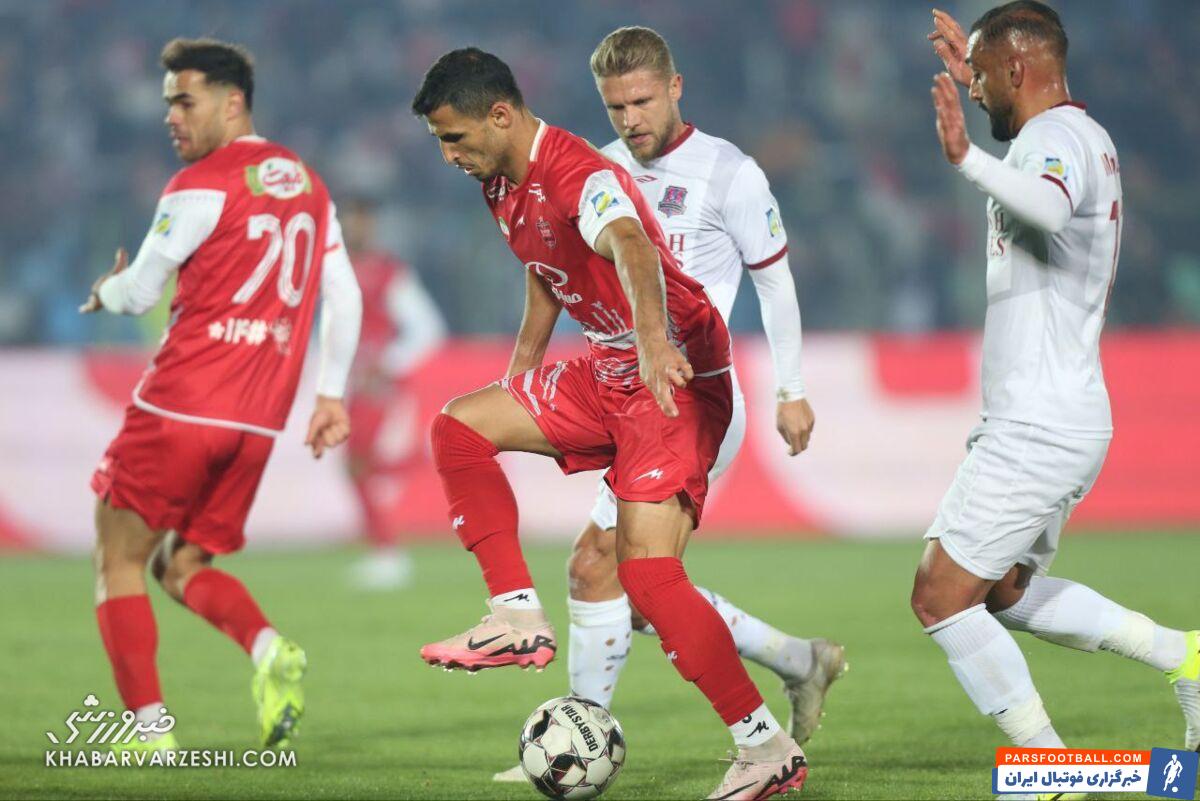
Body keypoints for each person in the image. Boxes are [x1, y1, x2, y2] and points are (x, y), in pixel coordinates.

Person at [411, 48, 808, 799]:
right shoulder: (500, 182)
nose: (448, 155)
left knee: (647, 577)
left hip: (675, 376)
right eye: (440, 140)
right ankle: (515, 614)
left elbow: (630, 243)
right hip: (608, 368)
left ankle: (765, 748)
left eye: (454, 138)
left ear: (501, 115)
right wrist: (523, 368)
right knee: (458, 427)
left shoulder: (579, 173)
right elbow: (544, 267)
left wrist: (654, 340)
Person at [914, 1, 1198, 756]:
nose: (974, 89)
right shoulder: (1075, 134)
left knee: (940, 596)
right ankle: (1186, 656)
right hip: (1062, 412)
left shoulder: (1054, 138)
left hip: (1037, 421)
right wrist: (974, 76)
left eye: (982, 75)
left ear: (1017, 68)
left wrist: (965, 158)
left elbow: (1047, 205)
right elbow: (1038, 185)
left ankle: (1050, 767)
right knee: (1003, 593)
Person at [81, 38, 362, 751]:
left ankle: (149, 731)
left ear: (232, 102)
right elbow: (344, 294)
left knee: (118, 559)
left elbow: (140, 290)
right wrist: (330, 394)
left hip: (179, 405)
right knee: (180, 563)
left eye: (185, 100)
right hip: (256, 424)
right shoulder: (309, 185)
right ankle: (268, 648)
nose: (171, 116)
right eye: (168, 103)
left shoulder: (201, 183)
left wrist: (105, 291)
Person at [340, 197, 447, 590]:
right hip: (352, 384)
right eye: (348, 220)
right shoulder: (336, 268)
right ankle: (384, 550)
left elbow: (428, 327)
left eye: (360, 221)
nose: (354, 228)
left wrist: (389, 362)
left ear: (372, 226)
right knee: (359, 465)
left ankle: (386, 554)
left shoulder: (388, 272)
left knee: (358, 464)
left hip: (378, 388)